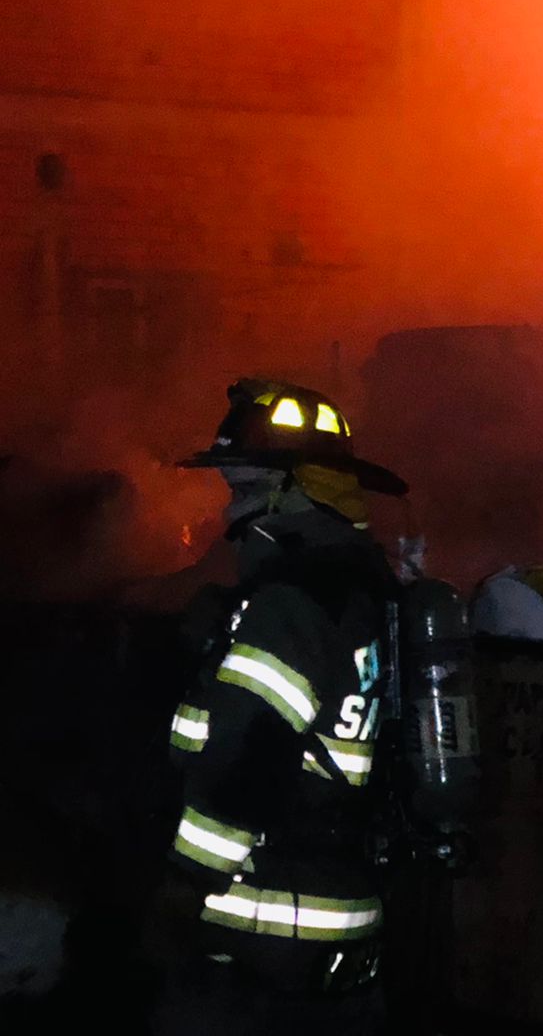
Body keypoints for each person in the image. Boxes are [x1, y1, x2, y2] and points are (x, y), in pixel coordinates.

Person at [144, 379, 407, 1034]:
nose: (234, 506)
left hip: (260, 929)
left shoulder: (290, 601)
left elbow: (247, 758)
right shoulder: (360, 586)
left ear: (295, 487)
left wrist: (183, 888)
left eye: (246, 486)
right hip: (340, 913)